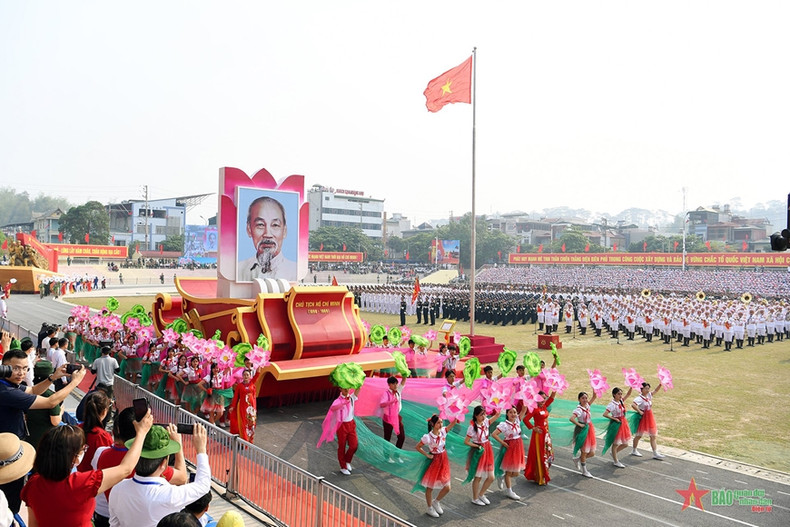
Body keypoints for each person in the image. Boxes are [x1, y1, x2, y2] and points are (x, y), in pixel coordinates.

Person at [21, 411, 153, 527]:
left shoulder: (33, 484)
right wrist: (141, 433)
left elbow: (33, 524)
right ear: (74, 458)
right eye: (82, 449)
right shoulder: (83, 483)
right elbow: (125, 468)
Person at [0, 349, 85, 515]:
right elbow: (50, 402)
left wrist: (53, 377)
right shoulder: (5, 392)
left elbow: (32, 391)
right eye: (16, 368)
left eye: (25, 368)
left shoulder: (7, 385)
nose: (21, 373)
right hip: (7, 454)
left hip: (12, 447)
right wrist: (74, 383)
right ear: (4, 367)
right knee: (10, 501)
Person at [93, 408, 188, 527]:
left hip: (114, 517)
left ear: (117, 429)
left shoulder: (101, 454)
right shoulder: (151, 464)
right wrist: (178, 445)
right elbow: (182, 477)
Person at [109, 423, 211, 527]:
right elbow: (203, 485)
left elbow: (114, 524)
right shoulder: (168, 495)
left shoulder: (117, 488)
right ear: (163, 463)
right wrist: (201, 449)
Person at [237, 196, 297, 282]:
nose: (267, 234)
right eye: (260, 225)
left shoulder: (294, 272)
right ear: (249, 229)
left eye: (275, 225)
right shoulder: (239, 270)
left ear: (284, 231)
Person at [415, 415, 458, 518]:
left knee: (447, 487)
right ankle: (429, 508)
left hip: (443, 459)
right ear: (433, 424)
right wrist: (427, 454)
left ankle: (436, 501)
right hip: (434, 461)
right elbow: (418, 447)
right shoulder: (428, 437)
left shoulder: (443, 431)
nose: (441, 424)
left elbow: (453, 423)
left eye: (441, 422)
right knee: (430, 487)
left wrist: (456, 412)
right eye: (438, 422)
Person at [463, 405, 501, 506]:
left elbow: (497, 415)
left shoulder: (486, 422)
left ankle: (481, 494)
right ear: (475, 416)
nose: (483, 416)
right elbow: (466, 441)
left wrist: (499, 404)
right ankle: (475, 498)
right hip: (478, 451)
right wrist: (476, 445)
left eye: (484, 414)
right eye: (481, 415)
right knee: (478, 477)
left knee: (491, 477)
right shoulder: (472, 428)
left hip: (487, 449)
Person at [318, 386, 358, 475]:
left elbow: (358, 390)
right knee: (342, 446)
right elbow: (333, 408)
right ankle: (343, 467)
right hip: (341, 425)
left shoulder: (351, 398)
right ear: (340, 389)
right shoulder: (338, 401)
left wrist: (359, 382)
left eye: (348, 388)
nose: (347, 390)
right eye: (344, 388)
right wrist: (343, 403)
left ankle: (347, 461)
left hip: (351, 424)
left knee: (354, 445)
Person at [492, 405, 528, 500]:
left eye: (515, 412)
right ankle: (509, 491)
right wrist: (503, 443)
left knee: (516, 473)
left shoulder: (517, 421)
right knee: (509, 471)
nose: (513, 414)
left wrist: (525, 395)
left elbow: (524, 409)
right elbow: (494, 434)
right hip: (510, 447)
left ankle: (502, 476)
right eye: (511, 412)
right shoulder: (504, 425)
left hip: (518, 446)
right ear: (507, 414)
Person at [24, 361, 63, 448]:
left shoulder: (28, 392)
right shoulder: (51, 396)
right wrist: (61, 411)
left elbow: (25, 415)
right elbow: (55, 421)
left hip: (30, 436)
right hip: (45, 439)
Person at [523, 390, 556, 485]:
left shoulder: (545, 406)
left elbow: (552, 398)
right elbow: (525, 419)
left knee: (548, 454)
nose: (543, 400)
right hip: (539, 435)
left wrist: (555, 386)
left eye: (544, 398)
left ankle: (543, 474)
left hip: (546, 434)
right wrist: (533, 428)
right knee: (541, 454)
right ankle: (540, 476)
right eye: (541, 399)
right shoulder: (534, 409)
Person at [77, 390, 113, 472]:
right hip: (94, 478)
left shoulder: (78, 429)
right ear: (104, 411)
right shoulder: (103, 436)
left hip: (80, 474)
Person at [630, 381, 665, 460]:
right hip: (643, 418)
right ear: (641, 389)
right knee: (639, 436)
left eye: (648, 388)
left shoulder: (648, 395)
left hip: (650, 417)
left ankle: (655, 452)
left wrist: (660, 384)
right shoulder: (639, 398)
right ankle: (634, 450)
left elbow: (655, 391)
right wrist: (639, 411)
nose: (648, 390)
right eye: (646, 388)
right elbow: (633, 405)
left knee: (653, 435)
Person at [602, 387, 633, 468]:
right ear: (614, 395)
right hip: (616, 424)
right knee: (616, 443)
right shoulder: (612, 404)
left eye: (621, 394)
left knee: (625, 444)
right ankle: (616, 461)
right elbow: (605, 414)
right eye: (618, 394)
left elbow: (628, 394)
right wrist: (614, 418)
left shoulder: (621, 401)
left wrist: (631, 386)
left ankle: (614, 453)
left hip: (622, 423)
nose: (620, 395)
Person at [569, 391, 597, 478]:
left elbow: (594, 396)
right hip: (582, 430)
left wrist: (594, 387)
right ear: (579, 399)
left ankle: (578, 459)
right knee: (584, 451)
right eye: (583, 398)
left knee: (592, 453)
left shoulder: (587, 406)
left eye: (586, 398)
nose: (585, 400)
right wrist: (580, 424)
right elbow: (572, 418)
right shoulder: (579, 410)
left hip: (589, 429)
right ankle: (584, 471)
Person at [379, 375, 406, 458]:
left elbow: (403, 381)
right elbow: (381, 404)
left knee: (401, 437)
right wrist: (390, 402)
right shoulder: (385, 393)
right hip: (388, 417)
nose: (395, 385)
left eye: (396, 384)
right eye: (393, 384)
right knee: (387, 438)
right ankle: (387, 456)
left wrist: (404, 372)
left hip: (396, 417)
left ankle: (397, 455)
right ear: (389, 385)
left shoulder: (398, 391)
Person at [229, 369, 257, 442]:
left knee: (251, 423)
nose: (246, 376)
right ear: (242, 376)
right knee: (244, 424)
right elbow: (235, 397)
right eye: (244, 375)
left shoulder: (252, 383)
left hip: (251, 407)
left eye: (247, 375)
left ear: (250, 376)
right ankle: (244, 441)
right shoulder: (239, 386)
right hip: (242, 407)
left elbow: (258, 374)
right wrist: (233, 406)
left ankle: (250, 439)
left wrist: (260, 364)